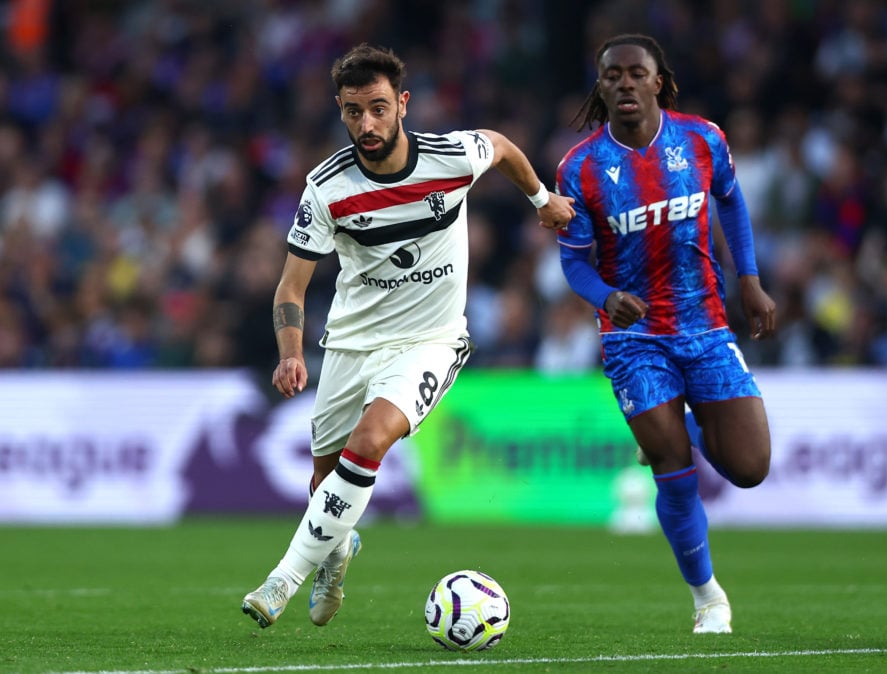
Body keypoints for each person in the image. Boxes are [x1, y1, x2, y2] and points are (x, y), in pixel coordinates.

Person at [241, 43, 575, 629]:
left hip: (431, 340)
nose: (365, 125)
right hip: (350, 342)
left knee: (369, 441)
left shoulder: (449, 157)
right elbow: (290, 289)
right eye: (351, 112)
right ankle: (337, 553)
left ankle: (281, 580)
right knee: (324, 482)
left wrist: (542, 201)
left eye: (376, 108)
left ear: (402, 104)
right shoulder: (327, 189)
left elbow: (499, 146)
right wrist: (290, 355)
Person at [555, 34, 776, 634]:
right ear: (600, 87)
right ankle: (708, 597)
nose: (624, 83)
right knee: (671, 467)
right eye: (612, 76)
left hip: (705, 324)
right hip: (633, 338)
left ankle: (695, 422)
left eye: (635, 73)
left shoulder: (703, 139)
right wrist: (606, 298)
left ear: (658, 81)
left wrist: (749, 281)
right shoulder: (579, 169)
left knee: (751, 467)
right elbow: (573, 260)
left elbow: (730, 202)